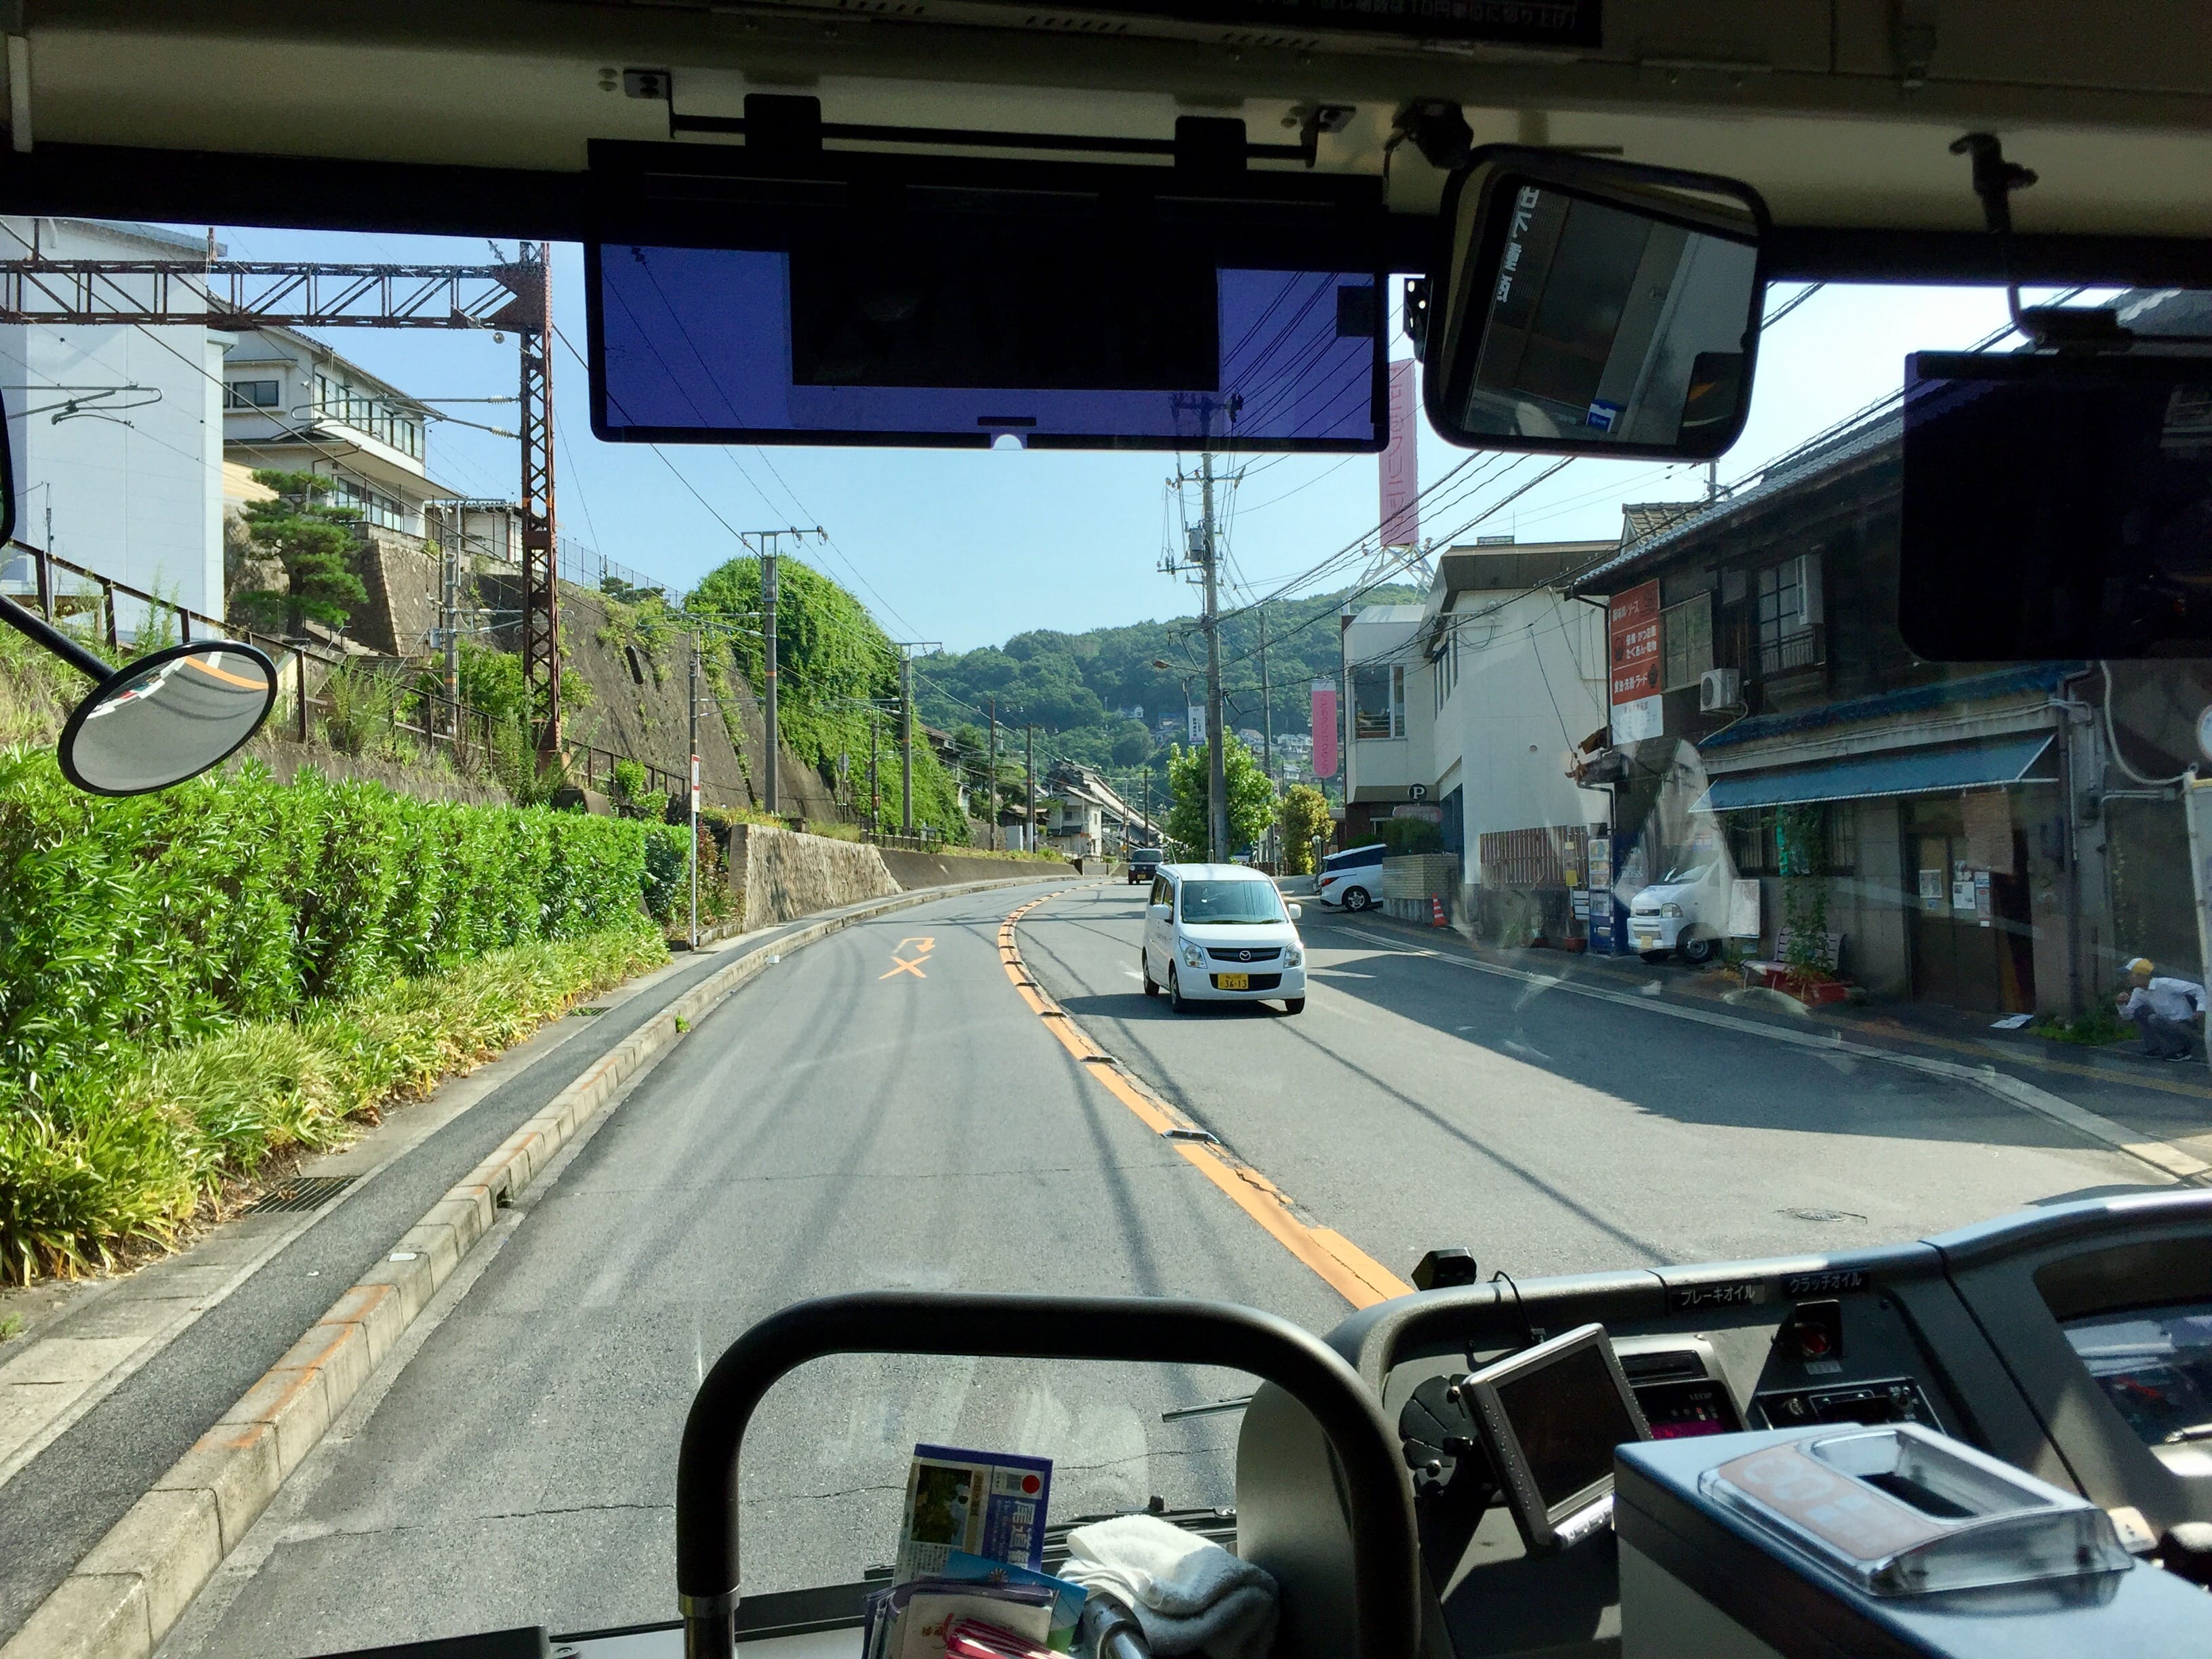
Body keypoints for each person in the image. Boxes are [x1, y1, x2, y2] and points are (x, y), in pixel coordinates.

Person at [2116, 958, 2208, 1061]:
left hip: (2184, 1024)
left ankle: (2181, 1050)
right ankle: (2154, 1048)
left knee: (2154, 1019)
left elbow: (2198, 989)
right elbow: (2129, 1016)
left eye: (2130, 975)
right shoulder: (2138, 992)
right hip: (2167, 1023)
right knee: (2140, 1012)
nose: (2128, 978)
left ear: (2140, 974)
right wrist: (2121, 1005)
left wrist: (2201, 1010)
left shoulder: (2165, 983)